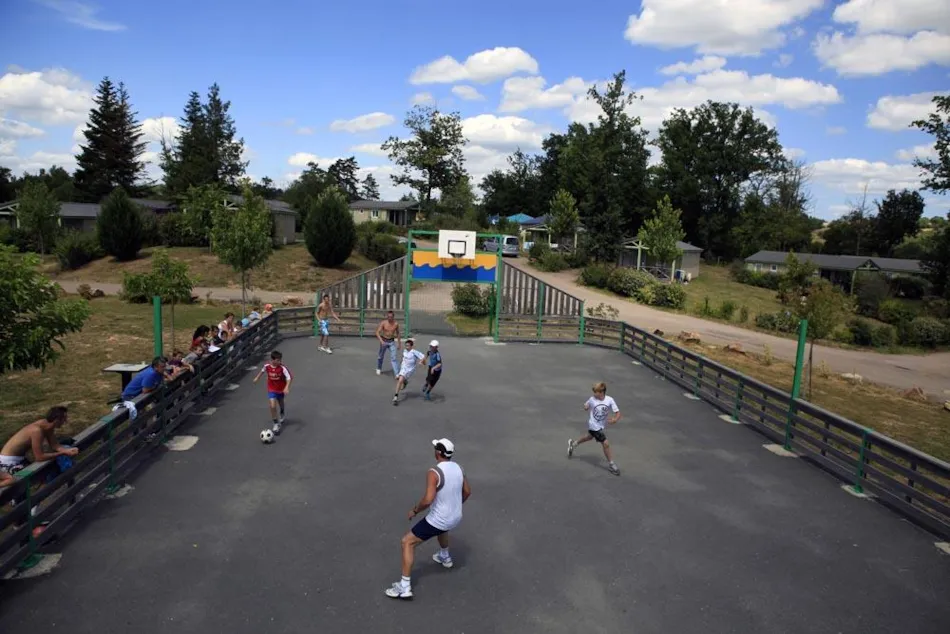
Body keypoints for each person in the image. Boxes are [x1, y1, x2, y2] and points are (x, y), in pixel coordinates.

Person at [385, 438, 471, 600]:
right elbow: (467, 491)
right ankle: (444, 556)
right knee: (443, 527)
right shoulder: (459, 468)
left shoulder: (434, 472)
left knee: (407, 542)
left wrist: (415, 510)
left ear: (438, 453)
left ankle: (404, 587)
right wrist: (455, 506)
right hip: (455, 517)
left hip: (441, 519)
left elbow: (428, 499)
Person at [1, 407, 79, 479]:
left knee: (44, 474)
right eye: (64, 419)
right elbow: (39, 457)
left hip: (20, 459)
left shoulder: (47, 426)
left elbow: (55, 445)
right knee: (30, 479)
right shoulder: (37, 431)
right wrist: (63, 453)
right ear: (57, 420)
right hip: (8, 462)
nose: (65, 422)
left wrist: (67, 450)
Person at [567, 382, 622, 476]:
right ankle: (611, 464)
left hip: (600, 425)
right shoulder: (592, 399)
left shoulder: (609, 400)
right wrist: (586, 407)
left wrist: (615, 420)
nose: (594, 394)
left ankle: (573, 444)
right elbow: (586, 405)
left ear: (601, 392)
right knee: (606, 443)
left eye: (596, 392)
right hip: (594, 425)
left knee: (589, 437)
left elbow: (618, 413)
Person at [253, 350, 293, 435]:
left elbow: (289, 378)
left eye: (280, 360)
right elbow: (262, 371)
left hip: (280, 389)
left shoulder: (282, 368)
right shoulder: (267, 366)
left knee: (281, 403)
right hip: (271, 389)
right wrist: (257, 378)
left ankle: (282, 412)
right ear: (273, 360)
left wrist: (286, 387)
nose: (280, 362)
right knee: (272, 405)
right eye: (278, 360)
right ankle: (275, 423)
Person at [393, 338, 425, 406]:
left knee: (401, 379)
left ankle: (405, 381)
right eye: (406, 345)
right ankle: (396, 397)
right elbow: (403, 357)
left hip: (410, 370)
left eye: (408, 346)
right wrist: (401, 363)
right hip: (403, 368)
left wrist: (421, 362)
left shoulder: (414, 352)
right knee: (400, 380)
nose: (406, 347)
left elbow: (423, 357)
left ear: (411, 346)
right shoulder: (404, 351)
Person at [375, 311, 401, 376]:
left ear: (393, 317)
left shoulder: (396, 324)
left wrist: (399, 343)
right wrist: (381, 341)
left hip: (391, 342)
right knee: (381, 356)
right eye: (388, 317)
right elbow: (377, 332)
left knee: (393, 358)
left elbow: (398, 333)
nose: (389, 318)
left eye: (391, 317)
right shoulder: (384, 323)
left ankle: (397, 373)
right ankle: (379, 368)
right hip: (384, 340)